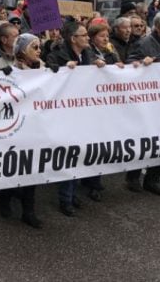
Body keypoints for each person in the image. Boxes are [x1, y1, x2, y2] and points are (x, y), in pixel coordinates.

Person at [46, 21, 107, 214]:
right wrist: (62, 69)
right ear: (73, 39)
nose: (88, 38)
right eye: (84, 35)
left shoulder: (88, 54)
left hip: (84, 113)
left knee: (80, 155)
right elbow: (48, 77)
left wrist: (99, 66)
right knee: (69, 156)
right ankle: (65, 199)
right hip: (64, 115)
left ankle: (72, 195)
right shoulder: (57, 56)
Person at [125, 9, 160, 196]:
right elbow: (129, 66)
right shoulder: (144, 44)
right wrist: (141, 63)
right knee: (144, 141)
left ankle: (153, 179)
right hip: (147, 102)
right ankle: (133, 177)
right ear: (157, 27)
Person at [0, 33, 44, 229]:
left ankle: (28, 211)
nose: (39, 51)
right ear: (23, 50)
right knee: (13, 168)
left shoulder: (44, 69)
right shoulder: (9, 72)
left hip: (35, 127)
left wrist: (64, 72)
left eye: (39, 47)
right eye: (34, 47)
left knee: (31, 170)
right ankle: (4, 198)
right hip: (16, 128)